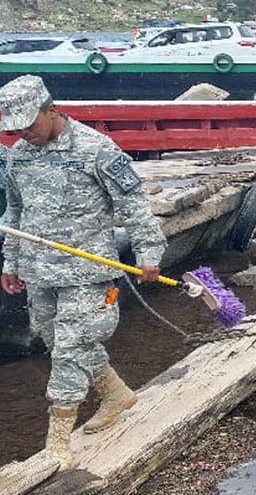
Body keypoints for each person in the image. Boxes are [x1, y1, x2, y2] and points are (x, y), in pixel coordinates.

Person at [0, 75, 168, 470]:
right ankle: (116, 394)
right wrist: (11, 262)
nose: (25, 134)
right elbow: (15, 213)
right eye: (16, 128)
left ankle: (57, 443)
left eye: (31, 124)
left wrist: (149, 253)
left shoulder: (96, 149)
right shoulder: (19, 156)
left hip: (89, 272)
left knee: (71, 351)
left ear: (51, 110)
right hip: (40, 272)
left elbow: (134, 205)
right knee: (54, 341)